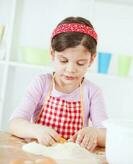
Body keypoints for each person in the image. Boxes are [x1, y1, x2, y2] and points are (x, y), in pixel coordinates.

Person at [9, 16, 108, 151]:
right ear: (52, 54)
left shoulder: (92, 91)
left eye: (80, 63)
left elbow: (108, 135)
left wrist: (96, 133)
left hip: (72, 159)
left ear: (91, 59)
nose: (71, 69)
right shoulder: (42, 83)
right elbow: (14, 123)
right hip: (39, 153)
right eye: (63, 60)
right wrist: (35, 130)